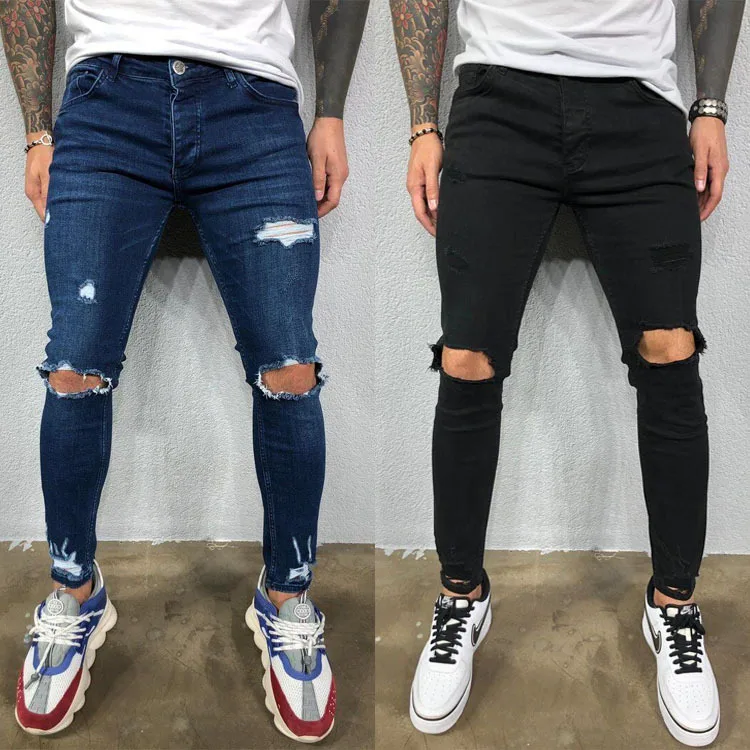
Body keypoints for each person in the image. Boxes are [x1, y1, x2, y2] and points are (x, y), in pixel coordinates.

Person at [2, 0, 368, 741]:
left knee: (290, 370)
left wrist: (330, 113)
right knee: (74, 368)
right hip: (105, 101)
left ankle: (286, 596)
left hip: (254, 104)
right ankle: (74, 591)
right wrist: (37, 126)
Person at [390, 0, 744, 745]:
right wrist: (423, 123)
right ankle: (461, 597)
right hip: (497, 101)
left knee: (670, 349)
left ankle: (674, 606)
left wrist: (710, 105)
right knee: (467, 358)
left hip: (638, 104)